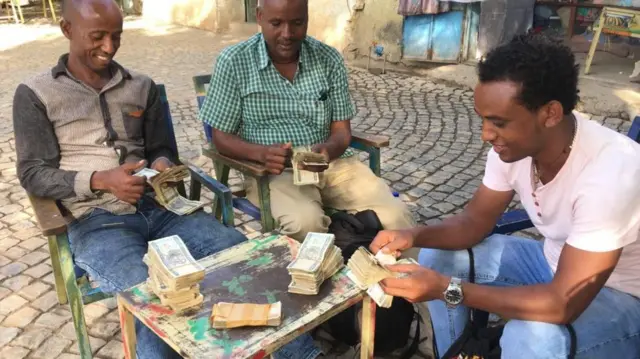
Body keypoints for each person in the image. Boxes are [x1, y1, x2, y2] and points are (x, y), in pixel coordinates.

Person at [11, 1, 309, 358]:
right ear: (67, 30)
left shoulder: (141, 86)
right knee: (155, 298)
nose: (109, 47)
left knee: (243, 258)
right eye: (98, 37)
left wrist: (164, 164)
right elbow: (33, 174)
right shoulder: (37, 94)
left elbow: (162, 148)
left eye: (117, 36)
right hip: (98, 222)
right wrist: (101, 180)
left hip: (163, 209)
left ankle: (302, 353)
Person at [369, 34, 640, 358]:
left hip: (622, 299)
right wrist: (412, 235)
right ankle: (456, 352)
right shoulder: (515, 148)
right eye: (483, 119)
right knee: (436, 256)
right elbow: (474, 222)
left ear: (550, 114)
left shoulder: (611, 173)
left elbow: (562, 303)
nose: (486, 135)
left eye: (498, 123)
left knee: (528, 337)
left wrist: (447, 289)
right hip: (551, 263)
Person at [199, 0, 415, 242]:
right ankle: (324, 275)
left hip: (333, 165)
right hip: (276, 173)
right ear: (259, 17)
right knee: (305, 223)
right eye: (276, 23)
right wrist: (262, 154)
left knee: (397, 216)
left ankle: (404, 276)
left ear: (307, 18)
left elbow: (342, 132)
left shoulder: (328, 58)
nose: (287, 34)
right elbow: (221, 138)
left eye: (297, 23)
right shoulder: (234, 62)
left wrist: (329, 149)